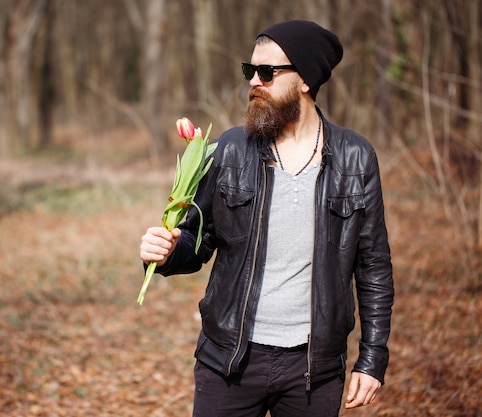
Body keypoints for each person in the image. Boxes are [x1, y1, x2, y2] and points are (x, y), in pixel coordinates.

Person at [139, 20, 394, 417]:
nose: (253, 82)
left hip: (314, 370)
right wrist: (166, 251)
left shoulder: (356, 158)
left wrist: (373, 358)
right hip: (229, 363)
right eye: (249, 71)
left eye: (266, 73)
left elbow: (374, 265)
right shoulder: (228, 149)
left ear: (306, 79)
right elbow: (194, 242)